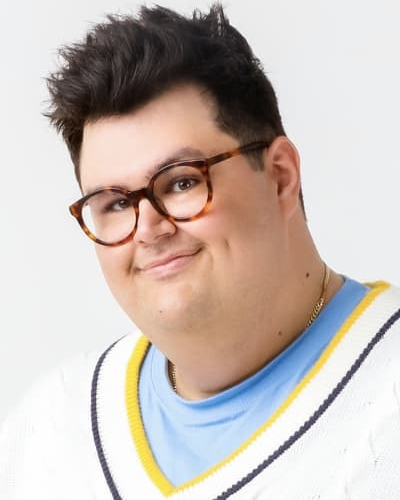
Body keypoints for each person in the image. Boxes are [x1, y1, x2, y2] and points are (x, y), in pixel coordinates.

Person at [1, 4, 400, 499]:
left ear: (280, 177)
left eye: (181, 182)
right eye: (116, 203)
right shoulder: (47, 431)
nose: (148, 229)